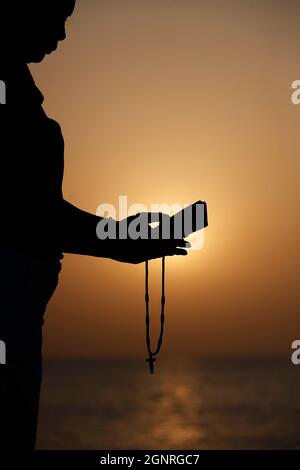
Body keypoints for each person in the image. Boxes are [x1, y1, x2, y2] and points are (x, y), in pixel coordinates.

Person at [0, 0, 189, 449]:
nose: (62, 36)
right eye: (58, 16)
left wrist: (117, 237)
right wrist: (117, 238)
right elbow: (24, 214)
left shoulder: (16, 90)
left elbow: (36, 211)